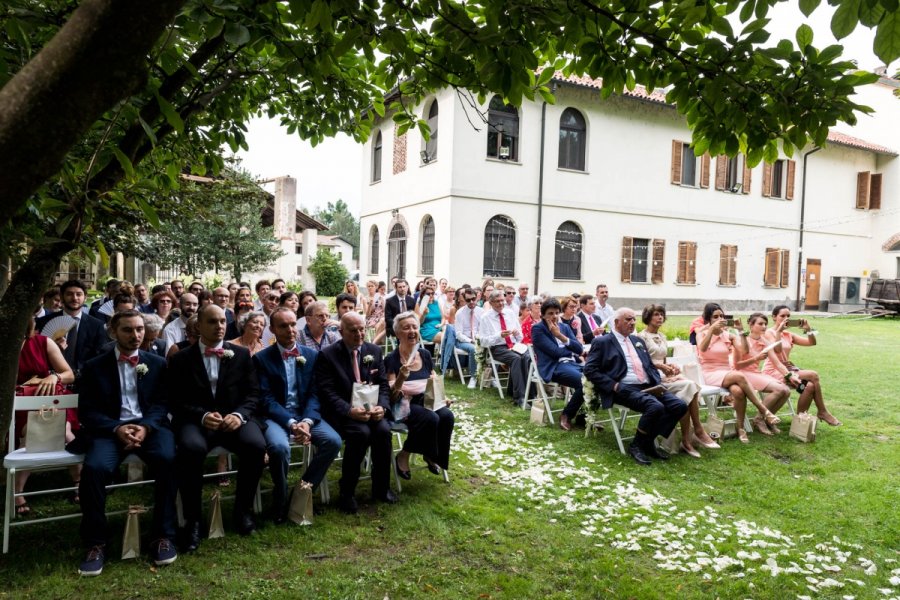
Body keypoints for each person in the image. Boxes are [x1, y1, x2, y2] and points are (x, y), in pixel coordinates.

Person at [75, 310, 177, 575]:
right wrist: (117, 428)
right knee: (95, 470)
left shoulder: (157, 363)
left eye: (140, 329)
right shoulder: (94, 366)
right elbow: (87, 410)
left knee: (168, 460)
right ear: (113, 332)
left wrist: (145, 427)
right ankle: (95, 542)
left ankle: (163, 535)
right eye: (128, 330)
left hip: (150, 430)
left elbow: (163, 402)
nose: (136, 335)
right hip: (110, 432)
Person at [168, 305, 267, 548]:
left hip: (234, 419)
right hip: (197, 422)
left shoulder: (241, 354)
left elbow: (253, 393)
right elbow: (174, 400)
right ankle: (193, 521)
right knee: (190, 450)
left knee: (255, 445)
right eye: (212, 322)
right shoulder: (181, 359)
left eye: (222, 321)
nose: (219, 326)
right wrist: (201, 416)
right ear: (198, 326)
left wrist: (239, 415)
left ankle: (242, 511)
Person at [253, 308, 341, 523]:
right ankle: (280, 499)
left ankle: (302, 491)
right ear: (272, 329)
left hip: (305, 415)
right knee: (280, 448)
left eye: (293, 324)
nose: (291, 330)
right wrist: (292, 423)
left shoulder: (311, 355)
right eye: (284, 326)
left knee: (332, 441)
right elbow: (266, 399)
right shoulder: (261, 359)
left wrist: (307, 421)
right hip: (276, 417)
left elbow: (314, 393)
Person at [583, 307, 688, 465]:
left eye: (634, 319)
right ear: (616, 322)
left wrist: (659, 381)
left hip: (648, 384)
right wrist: (614, 385)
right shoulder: (603, 341)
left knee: (679, 405)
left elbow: (648, 365)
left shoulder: (638, 341)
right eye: (628, 319)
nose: (632, 322)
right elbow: (590, 370)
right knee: (655, 407)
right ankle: (636, 445)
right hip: (623, 387)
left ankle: (647, 440)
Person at [314, 312, 396, 514]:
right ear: (341, 332)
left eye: (362, 329)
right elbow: (327, 392)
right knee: (361, 434)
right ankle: (347, 491)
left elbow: (384, 385)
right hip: (344, 413)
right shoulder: (328, 355)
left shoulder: (374, 351)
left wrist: (382, 407)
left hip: (371, 410)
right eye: (353, 330)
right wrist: (350, 411)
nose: (360, 334)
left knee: (383, 431)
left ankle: (381, 488)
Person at [13, 316, 77, 516]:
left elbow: (69, 374)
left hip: (53, 400)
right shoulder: (6, 346)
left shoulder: (43, 342)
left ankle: (79, 482)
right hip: (20, 406)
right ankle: (17, 492)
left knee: (65, 433)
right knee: (33, 434)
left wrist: (54, 376)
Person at [637, 304, 719, 457]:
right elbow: (641, 363)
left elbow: (663, 358)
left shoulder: (661, 336)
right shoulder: (641, 337)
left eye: (662, 314)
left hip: (664, 375)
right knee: (690, 387)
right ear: (648, 317)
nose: (660, 317)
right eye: (656, 314)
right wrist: (660, 367)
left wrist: (671, 367)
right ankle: (696, 432)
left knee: (688, 392)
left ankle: (688, 439)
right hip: (651, 378)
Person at [696, 303, 780, 444]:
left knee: (739, 392)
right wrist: (710, 330)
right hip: (710, 372)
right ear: (708, 319)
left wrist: (741, 332)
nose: (719, 319)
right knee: (740, 376)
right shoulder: (701, 333)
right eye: (715, 317)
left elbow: (744, 351)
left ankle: (740, 428)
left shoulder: (728, 335)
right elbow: (702, 349)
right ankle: (764, 410)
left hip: (727, 371)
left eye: (721, 316)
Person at [385, 312, 455, 479]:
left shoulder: (424, 354)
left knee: (446, 416)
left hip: (427, 400)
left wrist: (441, 398)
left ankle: (433, 455)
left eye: (414, 327)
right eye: (406, 327)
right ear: (397, 333)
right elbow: (391, 396)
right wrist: (401, 377)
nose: (412, 331)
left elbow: (433, 381)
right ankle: (404, 454)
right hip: (403, 404)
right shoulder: (391, 359)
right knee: (431, 418)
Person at [764, 305, 841, 426]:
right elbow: (778, 350)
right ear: (774, 317)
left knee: (809, 387)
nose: (786, 318)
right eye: (782, 316)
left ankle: (799, 419)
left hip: (788, 369)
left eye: (788, 316)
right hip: (774, 370)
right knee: (813, 375)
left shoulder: (788, 335)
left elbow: (811, 343)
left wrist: (808, 329)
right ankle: (823, 411)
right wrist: (779, 331)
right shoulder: (769, 332)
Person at [731, 312, 793, 435]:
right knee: (779, 390)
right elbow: (737, 365)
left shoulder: (765, 341)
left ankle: (769, 420)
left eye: (765, 324)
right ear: (750, 324)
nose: (764, 326)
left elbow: (777, 363)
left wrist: (789, 375)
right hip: (742, 373)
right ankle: (759, 419)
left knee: (786, 390)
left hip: (756, 373)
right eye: (760, 324)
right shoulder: (742, 340)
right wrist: (756, 358)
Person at [36, 279, 109, 379]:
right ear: (62, 297)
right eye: (69, 294)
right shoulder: (44, 322)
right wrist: (52, 349)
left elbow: (99, 357)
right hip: (50, 379)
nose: (74, 298)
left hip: (85, 379)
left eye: (79, 294)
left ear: (85, 297)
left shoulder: (97, 325)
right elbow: (36, 354)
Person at [531, 298, 585, 431]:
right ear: (543, 315)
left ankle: (583, 417)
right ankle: (566, 415)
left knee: (597, 377)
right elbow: (555, 353)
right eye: (550, 313)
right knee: (584, 382)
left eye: (556, 313)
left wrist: (560, 336)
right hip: (554, 366)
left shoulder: (564, 327)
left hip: (571, 363)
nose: (554, 316)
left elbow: (579, 349)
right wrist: (569, 350)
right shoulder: (538, 329)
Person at [477, 289, 529, 405]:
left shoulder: (510, 313)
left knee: (527, 356)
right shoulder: (486, 317)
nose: (501, 304)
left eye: (502, 300)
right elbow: (483, 341)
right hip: (498, 348)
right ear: (490, 303)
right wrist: (498, 335)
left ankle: (527, 392)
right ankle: (519, 397)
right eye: (497, 301)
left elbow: (520, 336)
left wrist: (516, 334)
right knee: (516, 358)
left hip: (514, 344)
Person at [447, 289, 482, 389]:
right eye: (468, 300)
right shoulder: (460, 313)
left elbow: (482, 329)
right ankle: (473, 377)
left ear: (477, 298)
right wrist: (471, 340)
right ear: (465, 300)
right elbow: (458, 334)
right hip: (463, 341)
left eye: (473, 299)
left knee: (492, 346)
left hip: (477, 339)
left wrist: (478, 338)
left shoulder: (481, 311)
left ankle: (489, 376)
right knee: (473, 348)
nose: (471, 302)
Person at [416, 277, 444, 349]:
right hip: (427, 329)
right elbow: (419, 322)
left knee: (451, 335)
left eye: (432, 293)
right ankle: (443, 358)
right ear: (423, 295)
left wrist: (441, 324)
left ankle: (443, 357)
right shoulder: (420, 305)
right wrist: (424, 314)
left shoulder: (437, 303)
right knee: (447, 338)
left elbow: (443, 317)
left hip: (439, 328)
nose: (431, 295)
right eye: (428, 294)